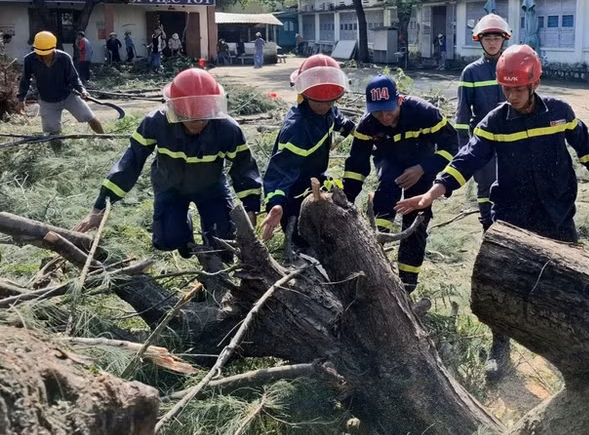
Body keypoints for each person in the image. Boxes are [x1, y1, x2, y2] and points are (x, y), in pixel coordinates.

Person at [396, 44, 589, 379]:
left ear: (534, 84)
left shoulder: (559, 112)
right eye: (506, 89)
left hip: (557, 211)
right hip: (513, 217)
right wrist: (433, 192)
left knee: (570, 279)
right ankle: (500, 346)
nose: (511, 95)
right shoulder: (496, 122)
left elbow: (583, 143)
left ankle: (571, 352)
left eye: (517, 89)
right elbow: (467, 158)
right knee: (501, 284)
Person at [75, 69, 262, 257]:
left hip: (211, 188)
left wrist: (251, 208)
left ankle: (211, 236)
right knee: (167, 241)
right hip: (170, 186)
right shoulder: (155, 123)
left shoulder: (228, 129)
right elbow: (129, 164)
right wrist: (99, 207)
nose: (196, 121)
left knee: (224, 247)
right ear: (174, 107)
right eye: (189, 115)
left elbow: (244, 169)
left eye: (202, 114)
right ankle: (181, 224)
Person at [344, 75, 458, 293]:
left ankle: (407, 284)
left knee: (417, 221)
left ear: (399, 100)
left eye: (389, 110)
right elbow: (356, 167)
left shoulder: (424, 113)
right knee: (385, 197)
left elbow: (452, 146)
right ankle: (373, 262)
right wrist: (345, 199)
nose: (385, 117)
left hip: (422, 165)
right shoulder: (367, 125)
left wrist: (423, 168)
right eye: (378, 112)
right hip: (389, 166)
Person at [260, 55, 354, 251]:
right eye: (321, 102)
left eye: (331, 101)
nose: (327, 106)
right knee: (300, 238)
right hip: (293, 189)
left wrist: (349, 128)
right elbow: (280, 171)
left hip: (317, 178)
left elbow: (336, 117)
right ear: (304, 94)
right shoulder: (297, 129)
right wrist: (276, 204)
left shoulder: (327, 108)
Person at [456, 14, 511, 230]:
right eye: (487, 38)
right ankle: (488, 226)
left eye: (496, 38)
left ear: (503, 39)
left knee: (512, 181)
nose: (492, 42)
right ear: (479, 40)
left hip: (512, 136)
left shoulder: (512, 65)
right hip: (484, 139)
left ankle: (508, 226)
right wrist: (463, 149)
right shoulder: (471, 72)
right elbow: (461, 114)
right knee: (485, 185)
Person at [16, 31, 105, 148]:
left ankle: (106, 140)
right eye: (39, 51)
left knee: (90, 118)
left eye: (45, 52)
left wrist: (82, 90)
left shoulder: (64, 58)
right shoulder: (30, 59)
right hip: (47, 100)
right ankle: (58, 156)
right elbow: (25, 80)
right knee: (53, 133)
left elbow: (74, 78)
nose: (41, 55)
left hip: (68, 96)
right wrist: (21, 99)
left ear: (53, 47)